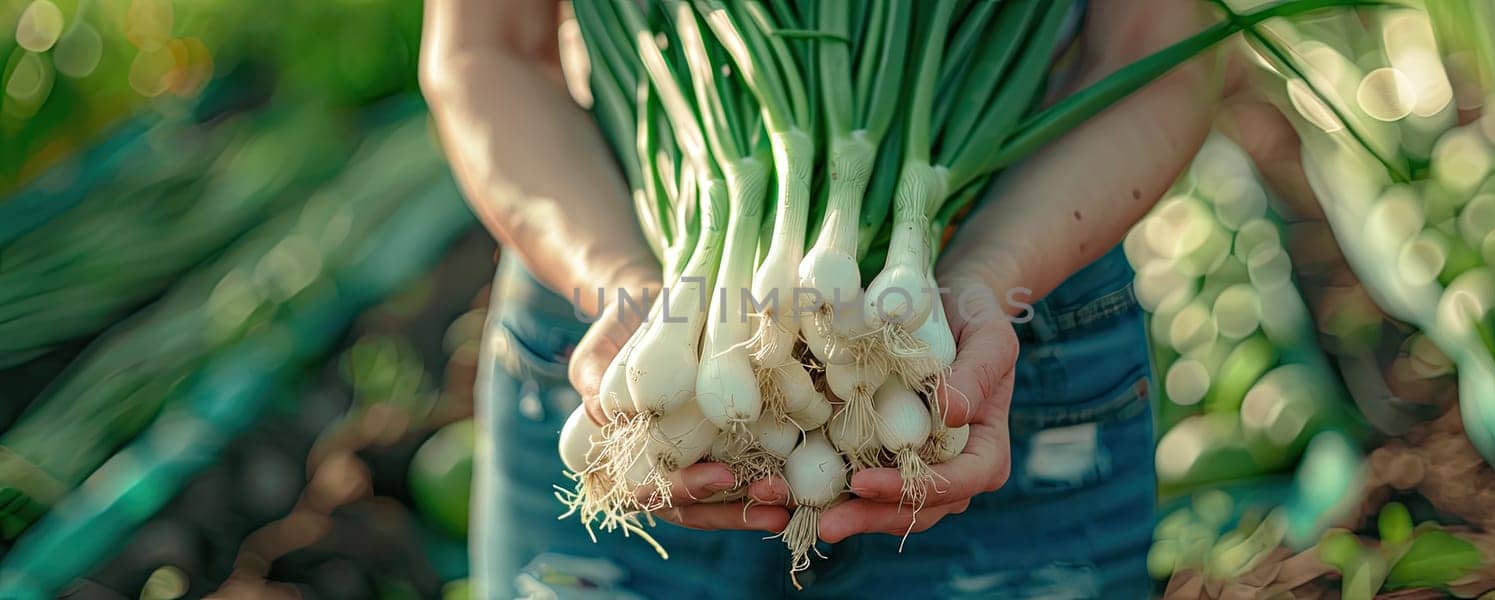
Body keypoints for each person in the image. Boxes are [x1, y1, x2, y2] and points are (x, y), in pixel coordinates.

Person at [421, 0, 1215, 597]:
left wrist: (982, 275)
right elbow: (488, 50)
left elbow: (1155, 49)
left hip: (1003, 333)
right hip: (613, 276)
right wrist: (629, 284)